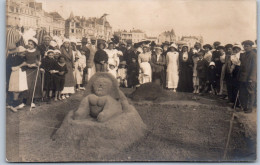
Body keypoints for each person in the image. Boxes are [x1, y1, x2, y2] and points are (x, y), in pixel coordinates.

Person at [238, 40, 257, 113]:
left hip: (250, 78)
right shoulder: (243, 55)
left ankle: (250, 108)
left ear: (251, 47)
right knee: (243, 93)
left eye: (247, 46)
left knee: (251, 92)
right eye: (244, 46)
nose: (245, 48)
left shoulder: (254, 55)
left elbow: (255, 68)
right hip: (243, 77)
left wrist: (251, 78)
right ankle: (244, 107)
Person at [7, 46, 28, 112]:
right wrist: (22, 65)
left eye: (24, 52)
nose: (24, 54)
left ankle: (14, 104)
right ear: (19, 53)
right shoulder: (15, 58)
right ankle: (13, 105)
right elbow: (13, 68)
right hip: (16, 75)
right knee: (16, 90)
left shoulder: (23, 58)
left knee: (19, 90)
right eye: (22, 53)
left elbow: (26, 65)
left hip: (21, 75)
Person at [24, 38, 42, 107]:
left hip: (35, 70)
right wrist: (27, 64)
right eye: (29, 44)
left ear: (34, 45)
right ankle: (26, 100)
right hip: (27, 69)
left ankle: (33, 100)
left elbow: (39, 61)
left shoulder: (37, 52)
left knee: (34, 85)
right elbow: (24, 60)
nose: (30, 45)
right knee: (27, 84)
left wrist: (37, 64)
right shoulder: (25, 51)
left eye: (31, 44)